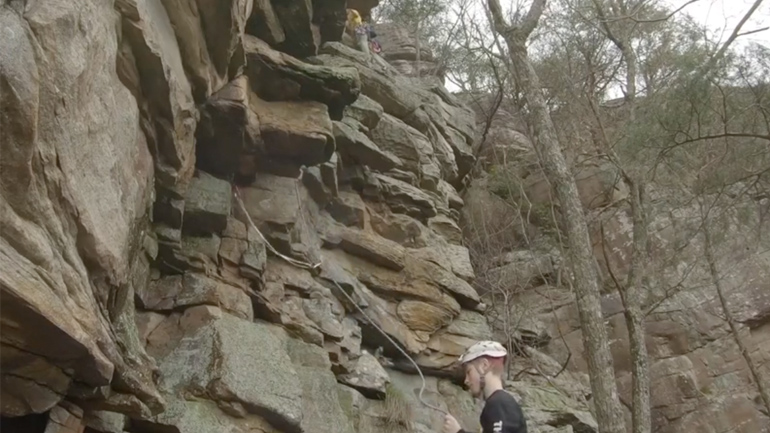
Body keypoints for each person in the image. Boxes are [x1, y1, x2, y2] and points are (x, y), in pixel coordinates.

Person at [442, 341, 528, 433]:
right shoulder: (500, 403)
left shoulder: (498, 404)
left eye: (469, 372)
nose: (466, 380)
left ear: (484, 366)